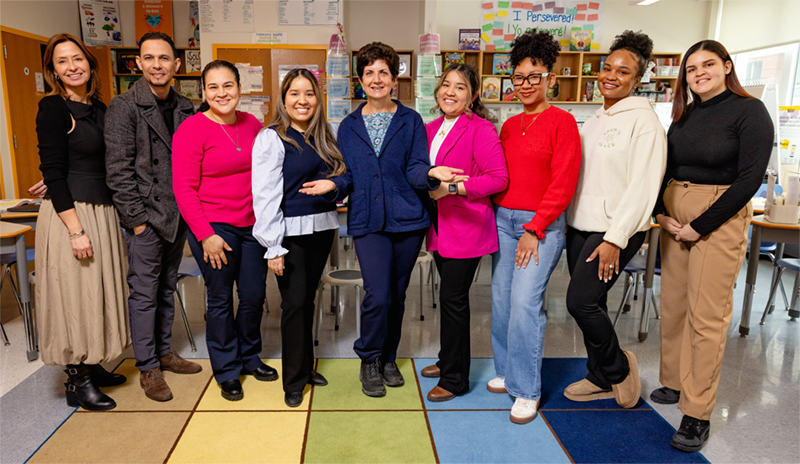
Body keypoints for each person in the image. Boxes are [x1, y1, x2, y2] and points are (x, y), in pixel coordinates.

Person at [299, 42, 465, 398]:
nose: (376, 79)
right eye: (369, 73)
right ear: (361, 80)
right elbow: (348, 175)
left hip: (408, 219)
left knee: (398, 294)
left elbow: (416, 167)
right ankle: (369, 358)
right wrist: (333, 183)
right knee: (377, 294)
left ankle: (390, 357)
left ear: (394, 79)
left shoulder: (411, 121)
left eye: (383, 73)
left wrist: (433, 174)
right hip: (368, 221)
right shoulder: (348, 125)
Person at [652, 40, 773, 453]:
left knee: (707, 316)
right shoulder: (684, 116)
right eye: (690, 68)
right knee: (674, 305)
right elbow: (665, 167)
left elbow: (749, 179)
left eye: (707, 65)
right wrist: (659, 212)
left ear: (726, 66)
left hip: (716, 218)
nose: (698, 73)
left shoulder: (749, 110)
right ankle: (672, 381)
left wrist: (700, 225)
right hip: (674, 215)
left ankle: (697, 411)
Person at [563, 31, 667, 412]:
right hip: (580, 226)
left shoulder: (644, 122)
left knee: (580, 303)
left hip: (612, 231)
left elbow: (643, 187)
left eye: (623, 72)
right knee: (597, 303)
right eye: (607, 68)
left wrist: (615, 238)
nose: (611, 75)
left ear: (637, 80)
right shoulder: (595, 119)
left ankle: (619, 368)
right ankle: (598, 375)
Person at [488, 29, 582, 424]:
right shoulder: (509, 125)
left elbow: (563, 183)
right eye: (520, 77)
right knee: (501, 300)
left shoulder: (563, 123)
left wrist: (535, 228)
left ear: (551, 78)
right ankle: (509, 370)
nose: (526, 84)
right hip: (503, 221)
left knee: (526, 304)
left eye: (535, 76)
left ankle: (527, 390)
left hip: (538, 228)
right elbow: (500, 175)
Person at [105, 32, 202, 403]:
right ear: (139, 64)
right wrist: (137, 221)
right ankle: (147, 366)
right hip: (146, 218)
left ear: (177, 65)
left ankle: (164, 351)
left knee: (166, 287)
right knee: (143, 294)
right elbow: (118, 170)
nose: (157, 65)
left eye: (165, 58)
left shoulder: (186, 106)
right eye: (150, 58)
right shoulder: (124, 106)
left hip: (177, 216)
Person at [34, 33, 129, 411]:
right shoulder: (53, 108)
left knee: (99, 292)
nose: (72, 66)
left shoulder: (102, 109)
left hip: (102, 211)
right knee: (73, 296)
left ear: (90, 63)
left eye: (77, 59)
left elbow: (102, 163)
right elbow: (54, 171)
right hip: (72, 215)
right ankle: (78, 381)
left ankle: (93, 362)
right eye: (62, 61)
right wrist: (74, 230)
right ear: (53, 70)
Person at [173, 60, 274, 402]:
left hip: (252, 225)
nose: (221, 93)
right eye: (213, 87)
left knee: (253, 296)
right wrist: (204, 234)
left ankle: (250, 357)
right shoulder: (191, 129)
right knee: (219, 298)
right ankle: (227, 369)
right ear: (204, 92)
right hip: (214, 226)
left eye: (227, 85)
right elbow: (184, 188)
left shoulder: (252, 124)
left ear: (239, 89)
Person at [252, 68, 344, 407]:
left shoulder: (325, 134)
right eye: (294, 93)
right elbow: (265, 195)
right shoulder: (272, 138)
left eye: (309, 94)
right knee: (294, 305)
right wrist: (273, 247)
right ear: (284, 98)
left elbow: (339, 175)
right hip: (289, 234)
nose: (302, 100)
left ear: (318, 99)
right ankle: (293, 381)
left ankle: (304, 368)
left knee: (308, 300)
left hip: (322, 229)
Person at [418, 63, 508, 403]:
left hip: (467, 227)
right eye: (445, 85)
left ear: (471, 96)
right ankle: (446, 361)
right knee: (448, 298)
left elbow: (498, 178)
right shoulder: (431, 128)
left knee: (454, 301)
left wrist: (453, 188)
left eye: (459, 87)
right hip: (440, 228)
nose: (450, 92)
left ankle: (456, 379)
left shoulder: (481, 129)